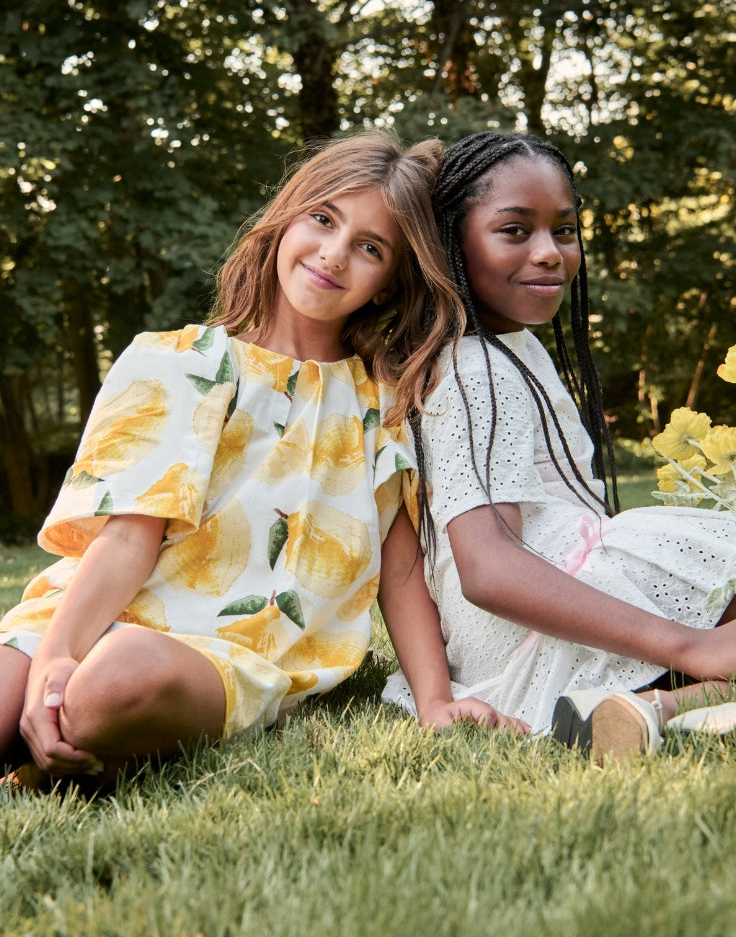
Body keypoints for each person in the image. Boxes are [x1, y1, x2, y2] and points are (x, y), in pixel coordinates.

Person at [0, 130, 521, 791]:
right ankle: (69, 740)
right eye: (323, 219)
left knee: (116, 682)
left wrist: (434, 700)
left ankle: (86, 738)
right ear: (284, 221)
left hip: (225, 650)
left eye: (369, 247)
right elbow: (129, 538)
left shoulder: (382, 405)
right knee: (28, 696)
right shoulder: (179, 361)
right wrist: (53, 657)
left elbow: (399, 568)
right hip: (89, 611)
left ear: (391, 283)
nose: (333, 254)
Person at [379, 130, 736, 761]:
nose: (550, 252)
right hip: (532, 633)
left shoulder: (504, 347)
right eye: (514, 230)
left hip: (555, 601)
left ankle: (669, 707)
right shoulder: (472, 371)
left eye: (564, 229)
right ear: (450, 242)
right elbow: (487, 569)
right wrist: (689, 646)